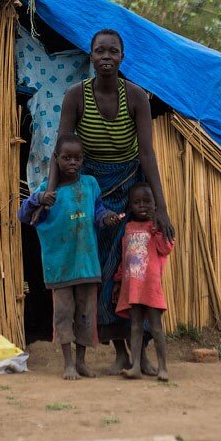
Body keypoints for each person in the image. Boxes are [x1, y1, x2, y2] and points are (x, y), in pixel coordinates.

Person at [43, 28, 175, 375]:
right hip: (92, 192)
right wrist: (53, 195)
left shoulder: (136, 98)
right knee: (102, 273)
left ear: (122, 57)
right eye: (99, 50)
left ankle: (140, 351)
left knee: (136, 268)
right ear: (90, 56)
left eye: (112, 51)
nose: (106, 57)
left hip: (130, 186)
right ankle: (119, 349)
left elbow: (147, 152)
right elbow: (60, 150)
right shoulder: (76, 96)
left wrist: (159, 207)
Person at [19, 134, 122, 380]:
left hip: (86, 264)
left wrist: (106, 217)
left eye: (77, 158)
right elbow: (23, 215)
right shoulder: (48, 191)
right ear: (57, 159)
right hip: (61, 265)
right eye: (66, 158)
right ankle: (67, 364)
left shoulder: (90, 184)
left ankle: (81, 362)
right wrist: (38, 199)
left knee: (86, 314)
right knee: (64, 315)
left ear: (83, 159)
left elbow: (97, 210)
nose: (72, 163)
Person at [114, 183, 174, 381]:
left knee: (156, 328)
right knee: (135, 327)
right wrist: (118, 280)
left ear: (156, 204)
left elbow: (166, 248)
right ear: (130, 206)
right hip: (132, 288)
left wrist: (158, 228)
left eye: (147, 202)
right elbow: (125, 258)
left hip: (150, 287)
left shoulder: (156, 227)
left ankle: (163, 367)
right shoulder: (129, 228)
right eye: (137, 202)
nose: (142, 206)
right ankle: (136, 366)